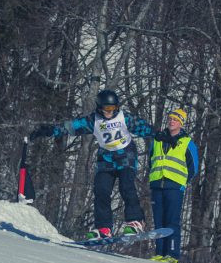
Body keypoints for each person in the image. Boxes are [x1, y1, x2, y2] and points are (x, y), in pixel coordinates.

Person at [30, 89, 170, 239]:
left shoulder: (124, 118)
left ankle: (135, 221)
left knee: (126, 187)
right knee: (101, 190)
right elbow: (71, 126)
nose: (110, 112)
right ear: (99, 107)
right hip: (106, 159)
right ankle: (103, 228)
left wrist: (160, 134)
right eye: (106, 109)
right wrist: (49, 130)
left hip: (126, 155)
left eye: (113, 109)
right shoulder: (93, 120)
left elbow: (143, 127)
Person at [149, 108, 199, 263]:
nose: (172, 121)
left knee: (172, 221)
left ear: (181, 123)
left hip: (174, 187)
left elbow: (194, 167)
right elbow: (152, 158)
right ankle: (160, 252)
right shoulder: (158, 139)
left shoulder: (187, 142)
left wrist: (183, 184)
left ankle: (172, 253)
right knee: (158, 221)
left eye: (176, 119)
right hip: (157, 184)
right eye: (170, 118)